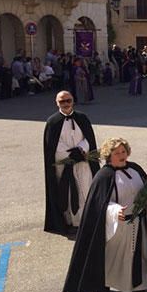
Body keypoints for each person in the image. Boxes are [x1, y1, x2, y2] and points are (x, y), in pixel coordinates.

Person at [63, 138, 147, 292]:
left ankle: (139, 290)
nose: (121, 155)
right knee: (112, 258)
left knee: (138, 257)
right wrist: (114, 210)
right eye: (117, 153)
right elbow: (98, 203)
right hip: (116, 226)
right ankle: (103, 285)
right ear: (109, 156)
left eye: (123, 151)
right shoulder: (104, 176)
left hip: (138, 222)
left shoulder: (135, 169)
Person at [43, 91, 100, 234]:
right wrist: (71, 155)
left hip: (83, 163)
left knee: (85, 189)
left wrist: (81, 149)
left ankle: (87, 220)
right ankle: (72, 222)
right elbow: (54, 146)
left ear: (73, 101)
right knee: (68, 193)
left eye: (68, 100)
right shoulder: (53, 122)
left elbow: (89, 139)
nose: (66, 103)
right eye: (62, 101)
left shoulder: (82, 118)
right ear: (57, 103)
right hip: (64, 165)